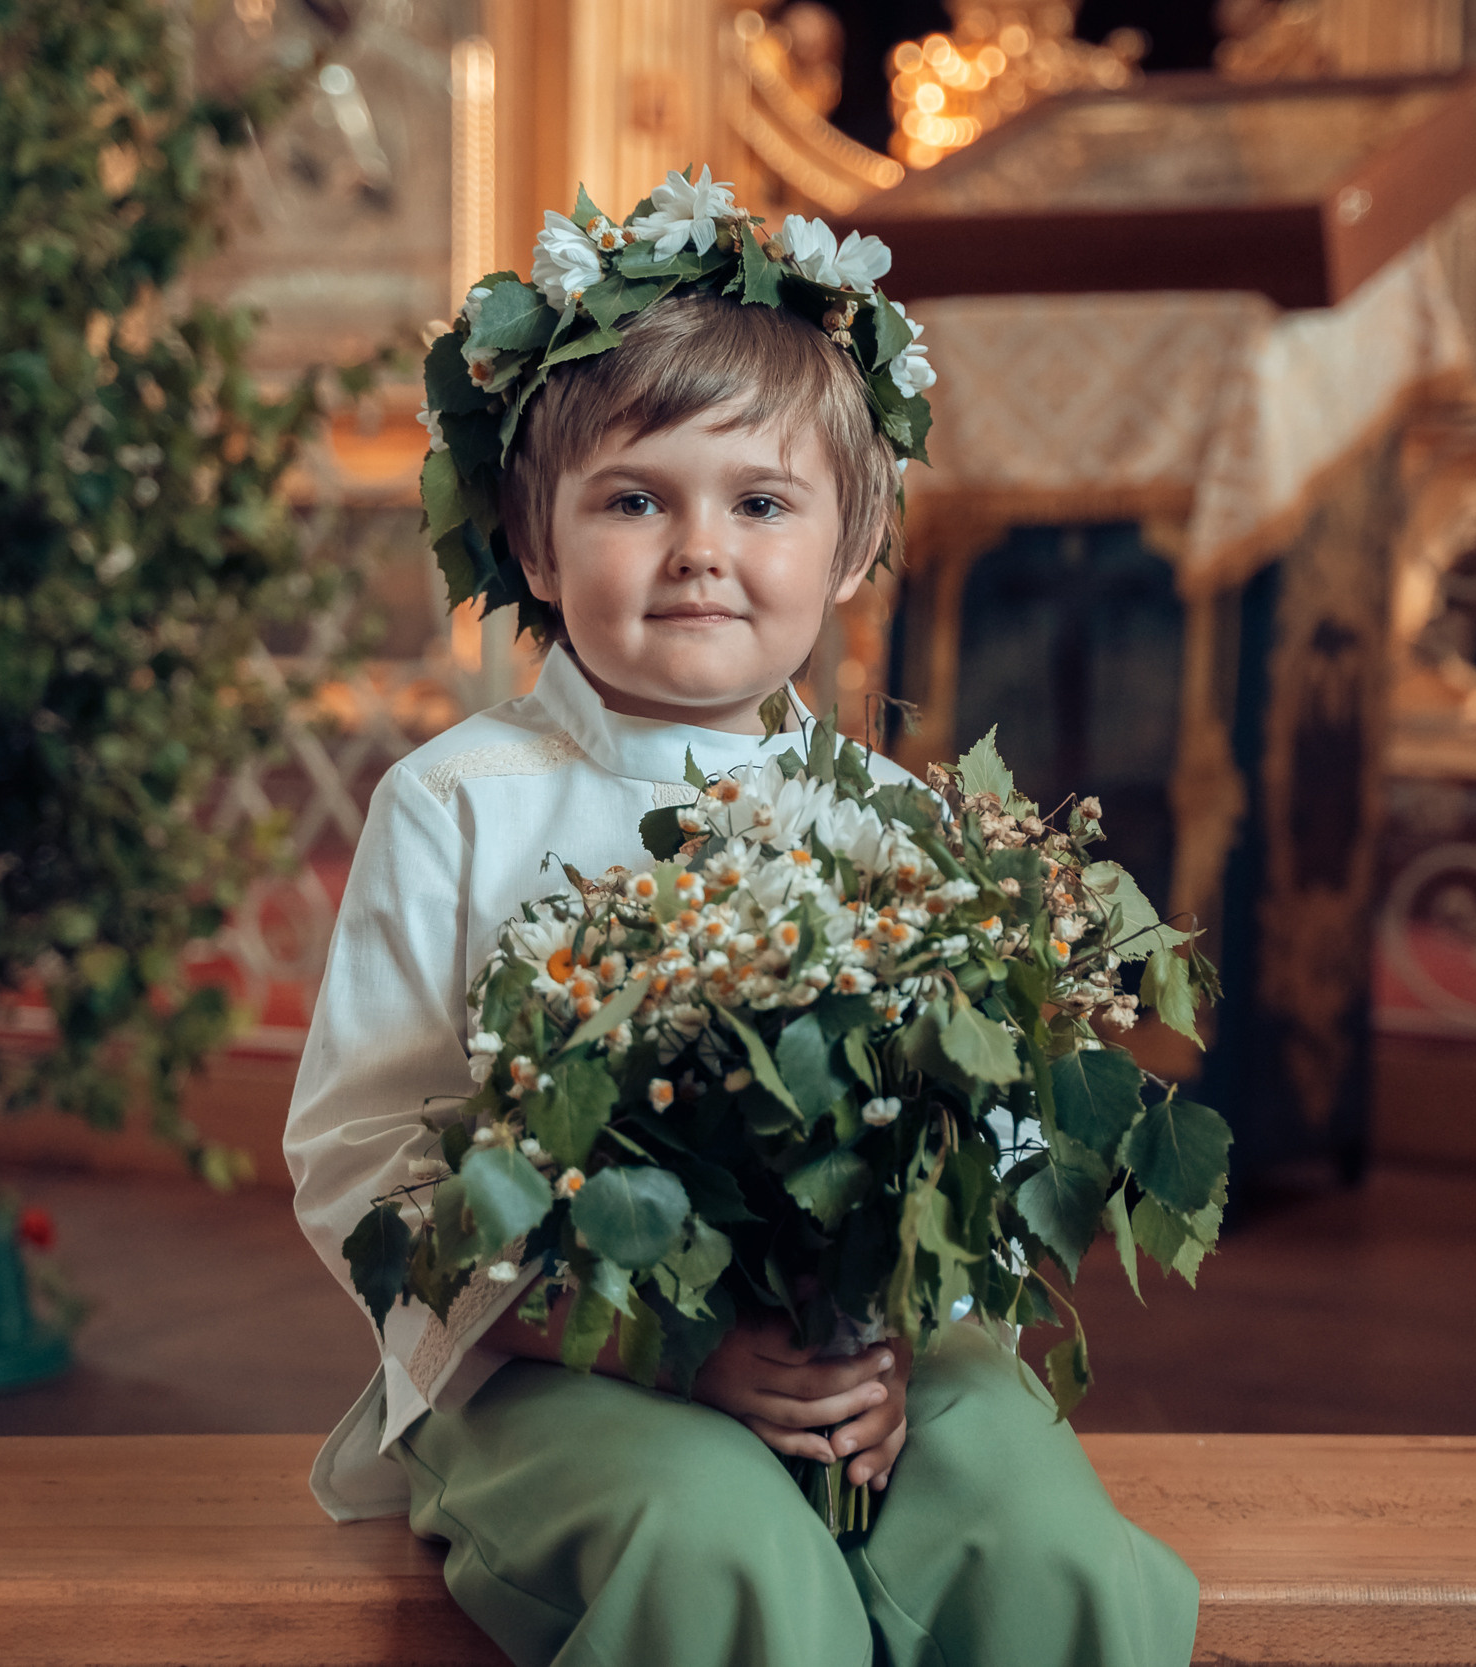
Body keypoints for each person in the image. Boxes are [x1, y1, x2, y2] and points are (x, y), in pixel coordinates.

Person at [285, 175, 1199, 1667]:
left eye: (762, 502)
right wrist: (661, 1342)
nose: (700, 548)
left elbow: (981, 1146)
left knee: (1044, 1551)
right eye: (635, 499)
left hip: (863, 1355)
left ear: (850, 550)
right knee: (723, 1562)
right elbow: (362, 1165)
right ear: (532, 544)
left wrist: (895, 1338)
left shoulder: (899, 827)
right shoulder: (458, 806)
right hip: (556, 1366)